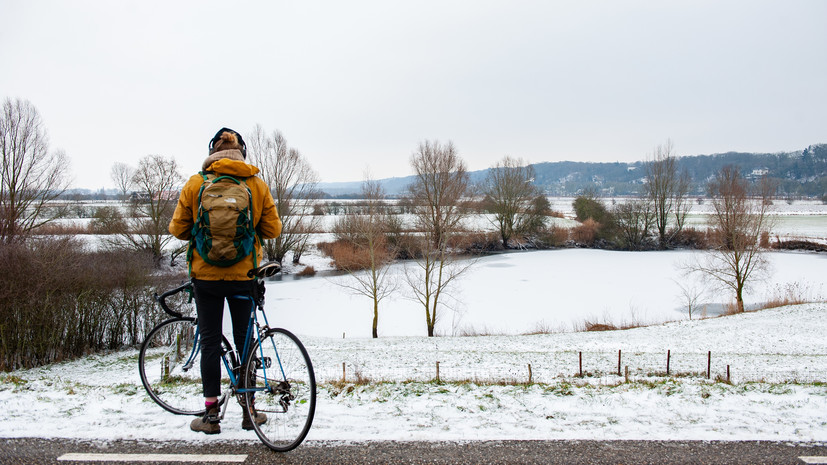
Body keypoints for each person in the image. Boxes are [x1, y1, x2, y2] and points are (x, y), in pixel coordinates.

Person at [169, 127, 282, 434]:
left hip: (205, 278)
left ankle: (211, 416)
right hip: (243, 276)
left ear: (212, 152)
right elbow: (273, 230)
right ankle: (250, 411)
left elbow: (177, 229)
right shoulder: (255, 184)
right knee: (246, 341)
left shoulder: (196, 183)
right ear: (241, 152)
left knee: (209, 342)